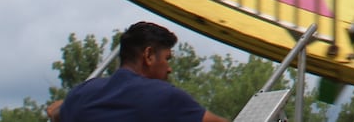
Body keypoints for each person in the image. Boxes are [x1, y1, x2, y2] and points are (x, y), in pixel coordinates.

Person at [46, 21, 229, 122]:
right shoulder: (165, 97)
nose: (169, 69)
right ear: (148, 55)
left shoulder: (79, 94)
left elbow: (56, 114)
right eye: (167, 59)